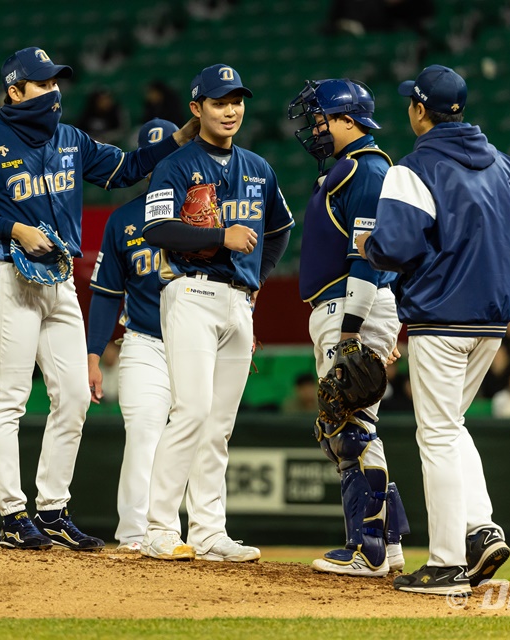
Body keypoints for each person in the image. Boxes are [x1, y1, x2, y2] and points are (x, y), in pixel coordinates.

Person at [0, 47, 199, 552]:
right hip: (7, 273)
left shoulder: (71, 139)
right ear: (15, 91)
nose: (54, 91)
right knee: (10, 399)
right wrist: (14, 226)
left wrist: (184, 135)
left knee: (75, 397)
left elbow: (126, 169)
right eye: (42, 84)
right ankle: (13, 515)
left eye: (56, 82)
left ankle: (53, 508)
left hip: (58, 280)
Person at [357, 64, 510, 595]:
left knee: (434, 432)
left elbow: (396, 247)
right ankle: (482, 530)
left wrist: (369, 246)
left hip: (440, 317)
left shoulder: (414, 169)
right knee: (451, 424)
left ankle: (445, 563)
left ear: (418, 109)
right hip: (494, 320)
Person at [140, 64, 294, 562]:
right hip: (191, 293)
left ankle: (208, 531)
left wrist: (256, 278)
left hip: (237, 300)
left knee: (219, 424)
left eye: (237, 101)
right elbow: (158, 230)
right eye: (219, 101)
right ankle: (160, 527)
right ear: (197, 108)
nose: (230, 110)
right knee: (191, 411)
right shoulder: (177, 165)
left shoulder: (258, 167)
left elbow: (280, 228)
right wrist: (217, 237)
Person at [287, 78, 408, 577]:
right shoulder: (351, 170)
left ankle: (367, 549)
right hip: (348, 306)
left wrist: (354, 330)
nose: (315, 127)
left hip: (349, 307)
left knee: (349, 428)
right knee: (348, 426)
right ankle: (390, 544)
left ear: (346, 120)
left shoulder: (367, 170)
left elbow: (366, 257)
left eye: (322, 118)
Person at [87, 118, 189, 552]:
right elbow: (107, 293)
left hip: (195, 345)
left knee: (197, 440)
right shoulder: (124, 220)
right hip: (143, 342)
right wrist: (93, 355)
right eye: (156, 155)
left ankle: (188, 531)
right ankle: (134, 535)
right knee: (144, 434)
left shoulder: (202, 211)